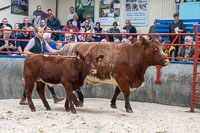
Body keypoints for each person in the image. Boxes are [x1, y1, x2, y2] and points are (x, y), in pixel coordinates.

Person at [19, 26, 64, 105]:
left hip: (40, 64)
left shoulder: (43, 41)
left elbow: (50, 49)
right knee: (31, 80)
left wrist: (58, 51)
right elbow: (25, 51)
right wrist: (36, 56)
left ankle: (54, 96)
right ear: (36, 33)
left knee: (46, 78)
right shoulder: (33, 40)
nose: (42, 33)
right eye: (40, 32)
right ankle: (24, 98)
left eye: (42, 32)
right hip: (33, 64)